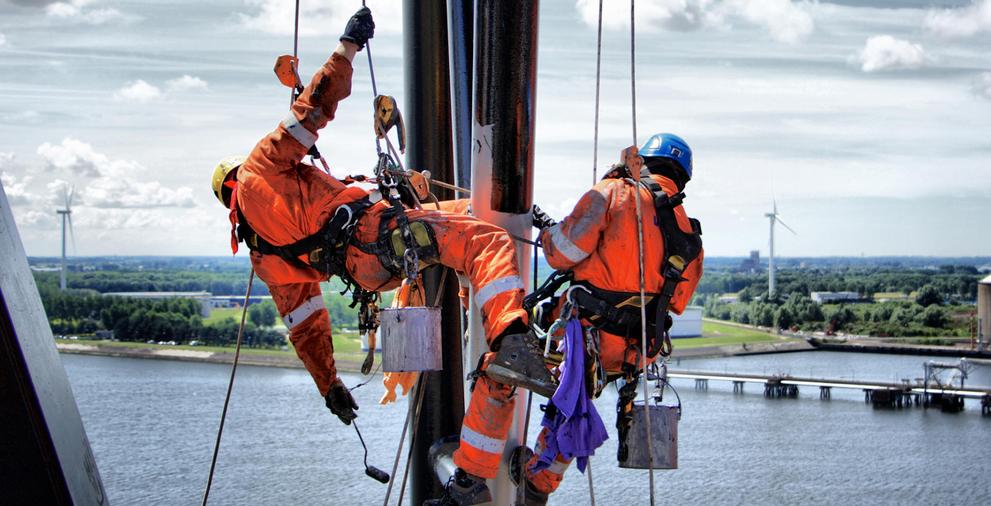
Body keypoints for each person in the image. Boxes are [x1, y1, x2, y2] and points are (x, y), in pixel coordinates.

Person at [209, 7, 555, 438]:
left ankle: (489, 324)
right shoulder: (260, 169)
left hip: (371, 267)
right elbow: (312, 109)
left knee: (472, 216)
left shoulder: (263, 256)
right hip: (379, 237)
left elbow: (307, 324)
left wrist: (329, 384)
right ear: (237, 174)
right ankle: (510, 338)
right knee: (487, 240)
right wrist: (347, 46)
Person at [518, 133, 705, 504]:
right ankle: (539, 484)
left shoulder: (613, 193)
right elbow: (677, 303)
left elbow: (562, 254)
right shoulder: (689, 233)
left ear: (643, 160)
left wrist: (548, 231)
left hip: (583, 339)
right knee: (573, 405)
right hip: (633, 350)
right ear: (681, 177)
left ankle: (490, 462)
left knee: (511, 359)